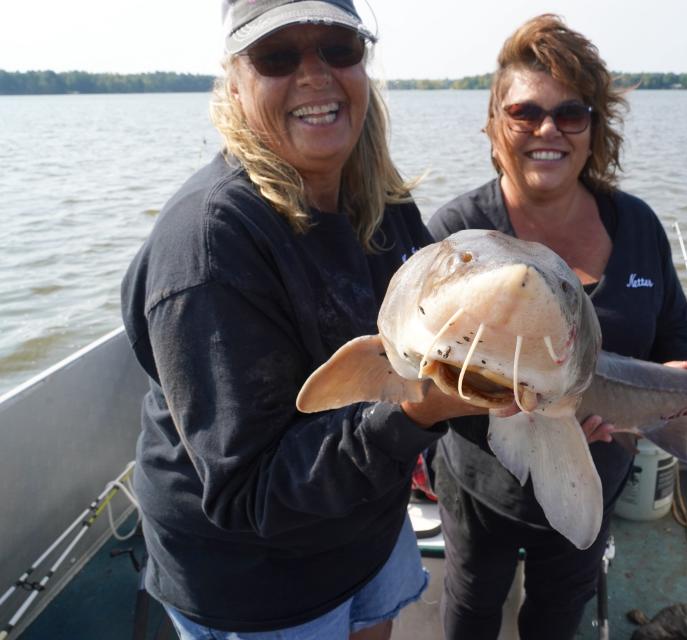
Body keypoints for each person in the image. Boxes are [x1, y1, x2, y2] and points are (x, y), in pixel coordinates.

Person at [120, 1, 486, 638]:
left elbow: (447, 336)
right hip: (257, 581)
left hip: (367, 527)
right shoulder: (209, 247)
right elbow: (248, 494)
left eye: (338, 50)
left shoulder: (385, 203)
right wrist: (416, 412)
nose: (315, 75)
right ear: (234, 81)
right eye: (277, 56)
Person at [426, 14, 687, 640]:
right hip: (484, 488)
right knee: (472, 605)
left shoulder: (637, 225)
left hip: (599, 474)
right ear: (493, 124)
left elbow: (678, 338)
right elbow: (423, 373)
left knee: (559, 611)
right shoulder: (458, 238)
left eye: (571, 113)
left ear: (595, 129)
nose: (548, 130)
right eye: (524, 113)